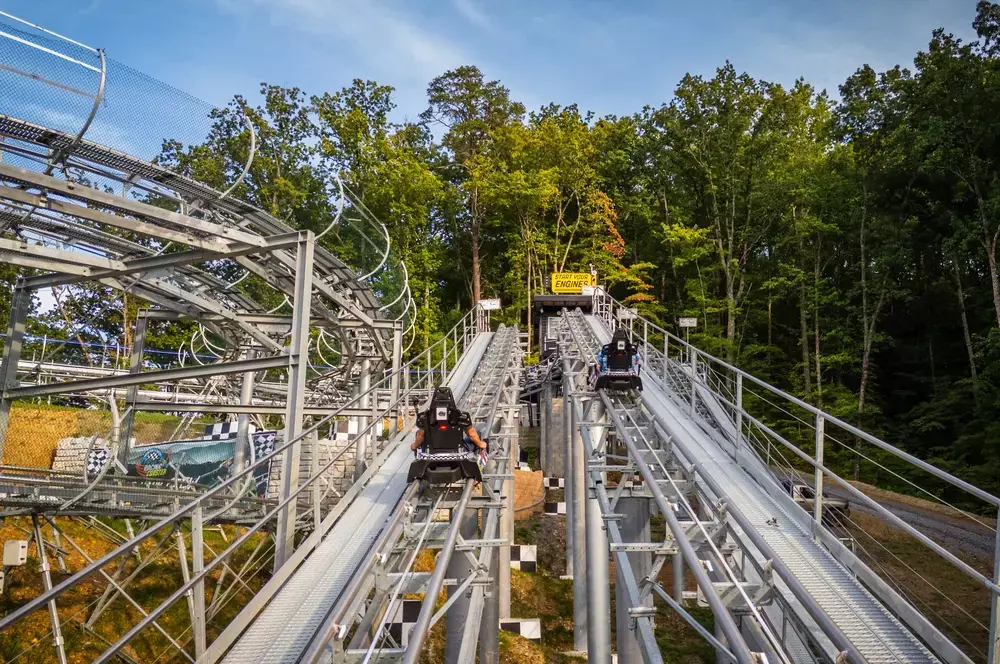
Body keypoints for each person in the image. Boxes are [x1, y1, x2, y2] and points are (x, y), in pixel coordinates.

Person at [410, 387, 487, 453]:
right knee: (477, 433)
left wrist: (414, 446)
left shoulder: (426, 416)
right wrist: (481, 444)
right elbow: (471, 434)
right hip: (458, 451)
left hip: (432, 451)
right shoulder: (461, 415)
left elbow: (420, 437)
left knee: (419, 433)